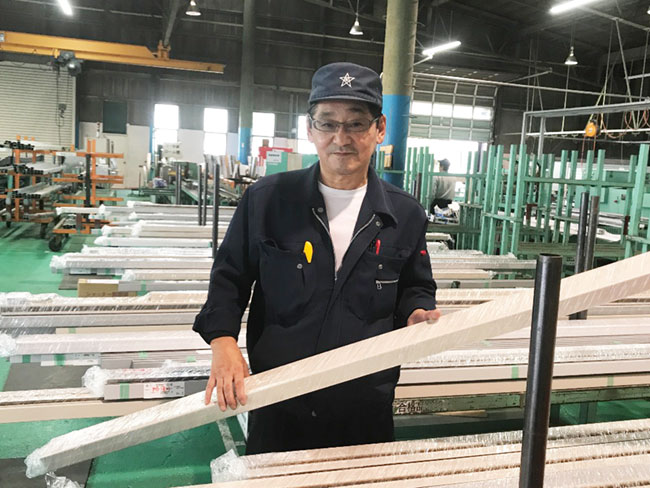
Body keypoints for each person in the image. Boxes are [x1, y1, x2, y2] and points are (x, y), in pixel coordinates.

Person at [193, 62, 439, 455]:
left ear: (379, 129)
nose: (341, 137)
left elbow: (415, 285)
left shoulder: (404, 214)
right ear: (310, 129)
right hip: (278, 402)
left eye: (356, 123)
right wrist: (223, 343)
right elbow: (229, 279)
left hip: (364, 407)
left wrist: (417, 310)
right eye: (328, 123)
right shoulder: (267, 201)